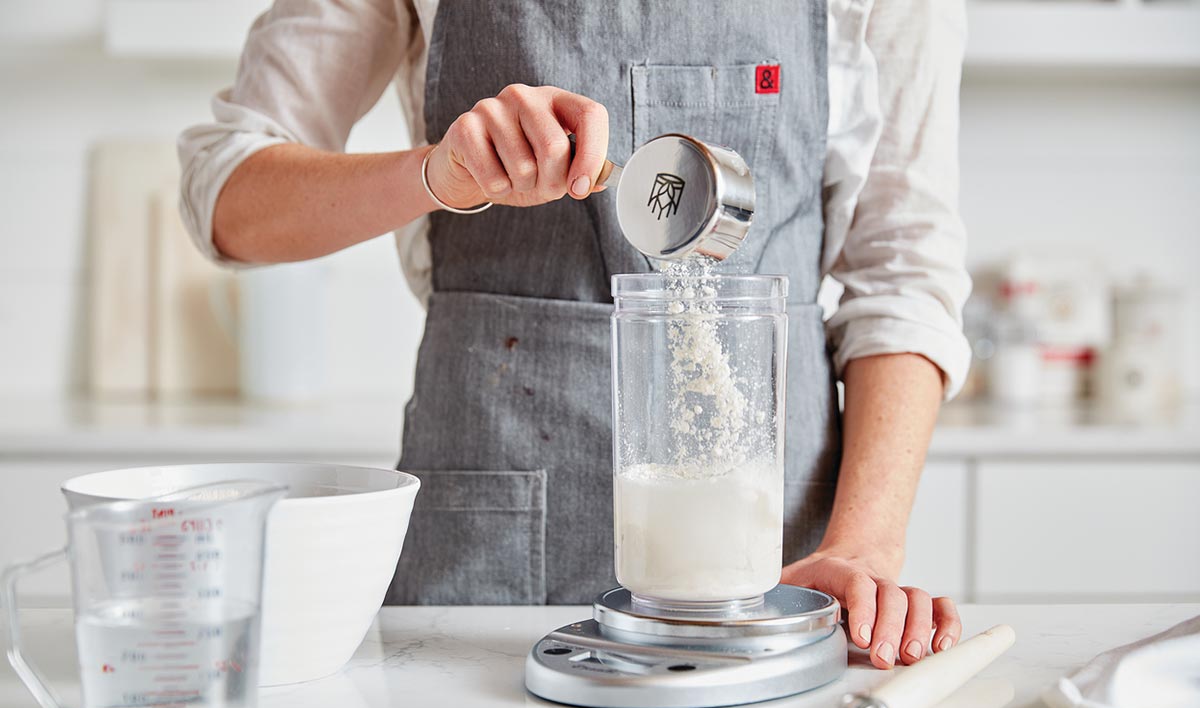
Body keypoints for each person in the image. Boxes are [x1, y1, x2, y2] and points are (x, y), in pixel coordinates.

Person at [180, 0, 971, 671]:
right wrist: (435, 173)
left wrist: (864, 547)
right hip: (481, 570)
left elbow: (903, 273)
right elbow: (227, 198)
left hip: (774, 565)